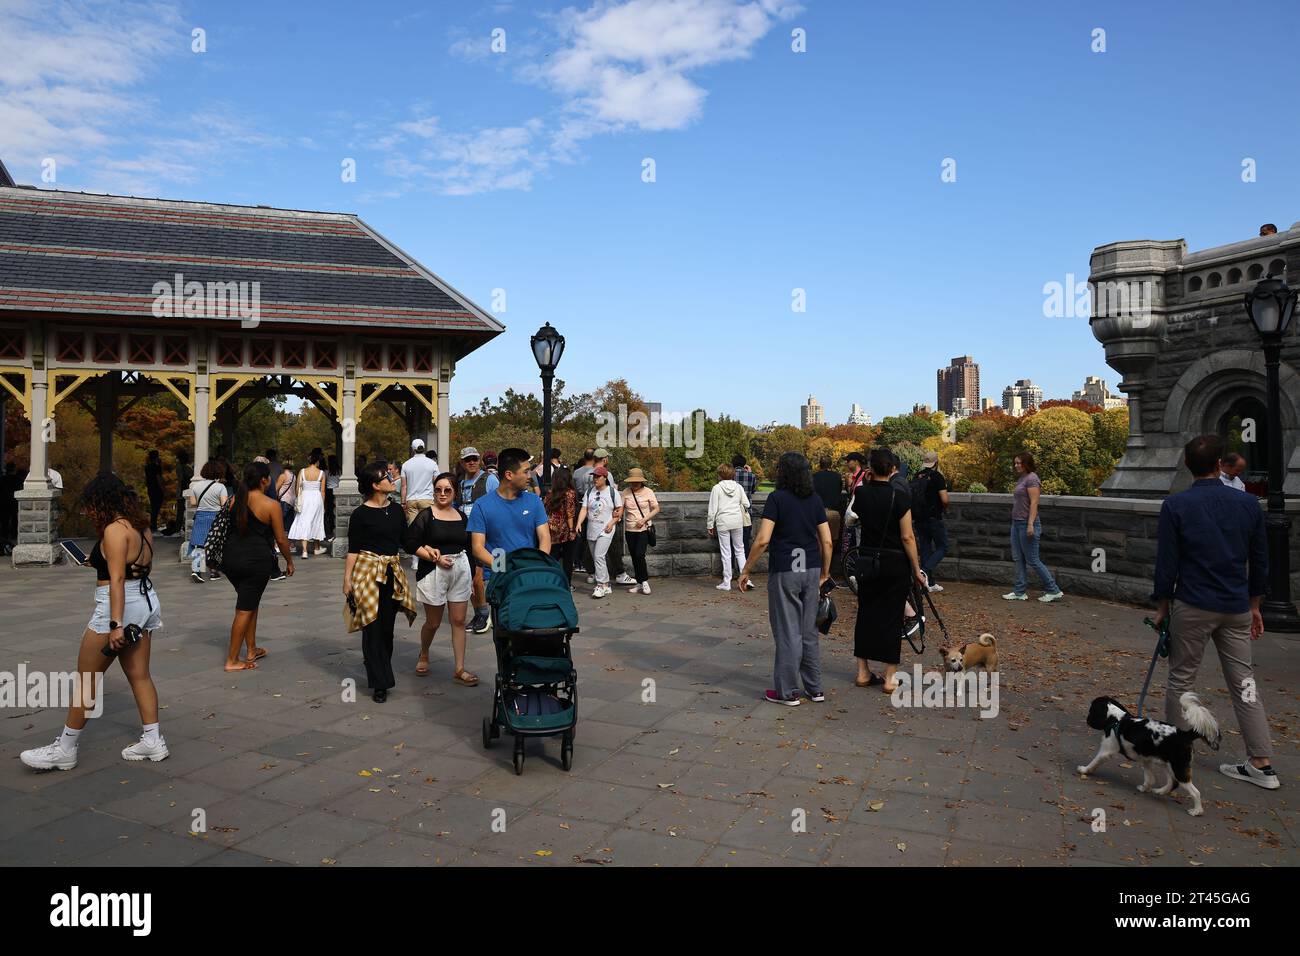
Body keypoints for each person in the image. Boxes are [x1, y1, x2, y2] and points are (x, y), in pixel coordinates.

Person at [1154, 435, 1278, 791]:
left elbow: (1167, 563)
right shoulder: (1248, 505)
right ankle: (1262, 762)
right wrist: (1255, 605)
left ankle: (1176, 756)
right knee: (1245, 683)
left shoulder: (1176, 506)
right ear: (1220, 463)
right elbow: (1259, 559)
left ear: (1187, 465)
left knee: (1181, 680)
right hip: (1236, 604)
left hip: (1193, 604)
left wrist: (1162, 605)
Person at [21, 474, 167, 770]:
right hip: (145, 601)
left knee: (87, 679)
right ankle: (153, 741)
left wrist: (114, 624)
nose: (89, 511)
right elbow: (132, 564)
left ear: (102, 501)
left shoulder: (114, 530)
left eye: (91, 504)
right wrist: (97, 559)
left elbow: (116, 579)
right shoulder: (140, 526)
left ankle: (65, 748)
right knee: (140, 675)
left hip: (116, 606)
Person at [739, 452, 832, 705]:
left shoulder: (776, 499)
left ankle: (788, 692)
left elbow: (763, 539)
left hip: (786, 570)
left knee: (788, 632)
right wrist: (826, 572)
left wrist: (746, 569)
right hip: (811, 570)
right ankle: (815, 689)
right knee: (808, 631)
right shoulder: (814, 500)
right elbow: (826, 540)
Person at [849, 448, 927, 692]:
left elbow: (851, 519)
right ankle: (890, 676)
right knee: (893, 617)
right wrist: (916, 568)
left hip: (868, 560)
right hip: (895, 563)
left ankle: (863, 671)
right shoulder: (900, 498)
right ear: (893, 469)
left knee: (866, 614)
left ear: (870, 468)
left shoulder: (860, 494)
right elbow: (907, 537)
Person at [344, 460, 417, 703]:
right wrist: (347, 580)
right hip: (366, 573)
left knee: (387, 629)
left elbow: (406, 541)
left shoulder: (396, 510)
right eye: (386, 476)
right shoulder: (359, 515)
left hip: (391, 573)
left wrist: (429, 551)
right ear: (376, 485)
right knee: (371, 627)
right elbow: (353, 550)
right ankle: (379, 682)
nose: (390, 478)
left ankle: (380, 669)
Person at [404, 472, 477, 685]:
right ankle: (424, 653)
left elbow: (469, 548)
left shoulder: (462, 517)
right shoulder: (427, 515)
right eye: (438, 489)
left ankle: (459, 668)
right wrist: (430, 554)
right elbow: (409, 542)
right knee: (434, 622)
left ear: (455, 492)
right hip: (434, 571)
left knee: (458, 620)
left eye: (447, 490)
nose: (442, 494)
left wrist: (472, 575)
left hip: (460, 570)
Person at [221, 461, 294, 670]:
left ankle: (251, 649)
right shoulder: (271, 505)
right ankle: (232, 660)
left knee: (250, 602)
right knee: (244, 609)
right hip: (255, 561)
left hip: (231, 559)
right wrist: (289, 561)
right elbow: (281, 539)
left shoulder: (235, 500)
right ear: (264, 480)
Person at [467, 448, 551, 607]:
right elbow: (477, 548)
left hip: (529, 576)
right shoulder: (482, 505)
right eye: (525, 472)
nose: (529, 476)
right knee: (504, 627)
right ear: (509, 475)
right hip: (499, 579)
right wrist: (504, 568)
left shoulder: (534, 501)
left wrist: (538, 563)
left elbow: (545, 536)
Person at [1003, 452, 1064, 602]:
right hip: (1016, 523)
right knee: (1018, 558)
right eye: (1015, 463)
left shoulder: (1032, 478)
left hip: (1026, 523)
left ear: (1027, 463)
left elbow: (1034, 503)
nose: (1016, 465)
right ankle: (1019, 592)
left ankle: (1053, 590)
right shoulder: (1022, 478)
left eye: (1019, 463)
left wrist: (1030, 524)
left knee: (1033, 559)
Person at [458, 447, 499, 633]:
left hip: (487, 533)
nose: (472, 462)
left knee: (490, 573)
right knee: (472, 576)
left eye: (474, 459)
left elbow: (498, 502)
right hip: (468, 533)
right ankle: (480, 612)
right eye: (468, 460)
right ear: (462, 463)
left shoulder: (489, 479)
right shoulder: (460, 483)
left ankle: (490, 612)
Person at [590, 448, 635, 586]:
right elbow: (611, 492)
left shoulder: (582, 472)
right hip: (607, 517)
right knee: (612, 547)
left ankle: (594, 574)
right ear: (604, 459)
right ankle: (618, 574)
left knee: (592, 548)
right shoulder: (606, 474)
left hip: (591, 515)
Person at [578, 466, 622, 598]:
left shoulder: (612, 492)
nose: (595, 479)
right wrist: (579, 523)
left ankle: (600, 585)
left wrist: (612, 523)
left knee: (598, 556)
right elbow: (584, 509)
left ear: (605, 478)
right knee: (596, 557)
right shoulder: (589, 492)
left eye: (598, 476)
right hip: (592, 529)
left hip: (606, 529)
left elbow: (619, 510)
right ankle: (607, 584)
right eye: (594, 476)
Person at [910, 449, 950, 592]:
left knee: (926, 548)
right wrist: (944, 507)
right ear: (936, 462)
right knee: (943, 546)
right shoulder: (937, 476)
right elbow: (944, 499)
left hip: (919, 518)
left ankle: (929, 583)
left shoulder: (917, 476)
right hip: (934, 518)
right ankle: (924, 571)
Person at [707, 462, 751, 591]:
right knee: (740, 550)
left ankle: (727, 582)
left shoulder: (717, 488)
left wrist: (710, 525)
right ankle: (746, 579)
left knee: (726, 552)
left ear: (720, 474)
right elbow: (747, 504)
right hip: (737, 521)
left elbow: (712, 509)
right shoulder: (738, 487)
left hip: (723, 522)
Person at [186, 459, 228, 583]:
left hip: (200, 517)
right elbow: (224, 504)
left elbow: (193, 503)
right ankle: (213, 571)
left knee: (198, 544)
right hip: (215, 517)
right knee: (214, 544)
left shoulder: (196, 486)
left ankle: (196, 570)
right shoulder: (220, 487)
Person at [622, 468, 660, 594]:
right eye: (632, 482)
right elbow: (620, 509)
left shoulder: (648, 492)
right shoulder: (626, 492)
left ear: (641, 481)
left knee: (639, 554)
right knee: (634, 556)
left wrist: (644, 520)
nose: (634, 484)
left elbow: (656, 508)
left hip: (644, 528)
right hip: (629, 529)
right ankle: (639, 582)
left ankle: (644, 581)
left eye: (637, 482)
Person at [288, 450, 328, 559]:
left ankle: (304, 551)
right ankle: (316, 548)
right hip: (317, 498)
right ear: (317, 461)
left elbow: (297, 488)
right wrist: (323, 505)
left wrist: (298, 499)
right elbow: (323, 491)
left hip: (305, 497)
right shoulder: (321, 473)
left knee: (304, 521)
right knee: (316, 521)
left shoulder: (302, 471)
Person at [546, 466, 579, 588]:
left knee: (552, 558)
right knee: (568, 560)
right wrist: (571, 530)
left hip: (551, 529)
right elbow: (570, 513)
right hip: (565, 530)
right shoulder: (570, 494)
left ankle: (551, 583)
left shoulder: (550, 493)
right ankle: (566, 584)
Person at [813, 455, 846, 567]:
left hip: (818, 512)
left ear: (820, 464)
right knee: (832, 539)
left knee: (819, 540)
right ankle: (828, 566)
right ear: (830, 465)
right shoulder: (837, 477)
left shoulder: (814, 477)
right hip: (833, 512)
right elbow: (839, 491)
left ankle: (820, 565)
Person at [402, 438, 438, 526]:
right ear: (424, 448)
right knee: (427, 527)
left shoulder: (406, 464)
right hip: (427, 498)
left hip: (411, 500)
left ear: (413, 449)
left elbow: (404, 486)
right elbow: (436, 483)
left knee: (413, 527)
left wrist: (403, 502)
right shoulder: (432, 464)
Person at [733, 453, 758, 555]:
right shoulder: (751, 476)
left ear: (733, 464)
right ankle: (744, 568)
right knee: (745, 543)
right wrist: (750, 473)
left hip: (732, 511)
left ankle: (731, 568)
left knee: (731, 544)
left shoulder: (730, 475)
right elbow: (753, 491)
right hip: (746, 513)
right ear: (744, 465)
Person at [145, 450, 165, 532]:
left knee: (153, 507)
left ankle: (153, 525)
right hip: (157, 489)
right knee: (156, 508)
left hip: (150, 488)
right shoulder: (156, 467)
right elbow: (159, 478)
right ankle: (153, 526)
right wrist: (163, 489)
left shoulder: (147, 467)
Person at [325, 453, 340, 544]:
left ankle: (331, 530)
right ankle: (336, 527)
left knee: (330, 512)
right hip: (337, 491)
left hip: (329, 491)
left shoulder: (326, 472)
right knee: (336, 511)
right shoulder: (340, 471)